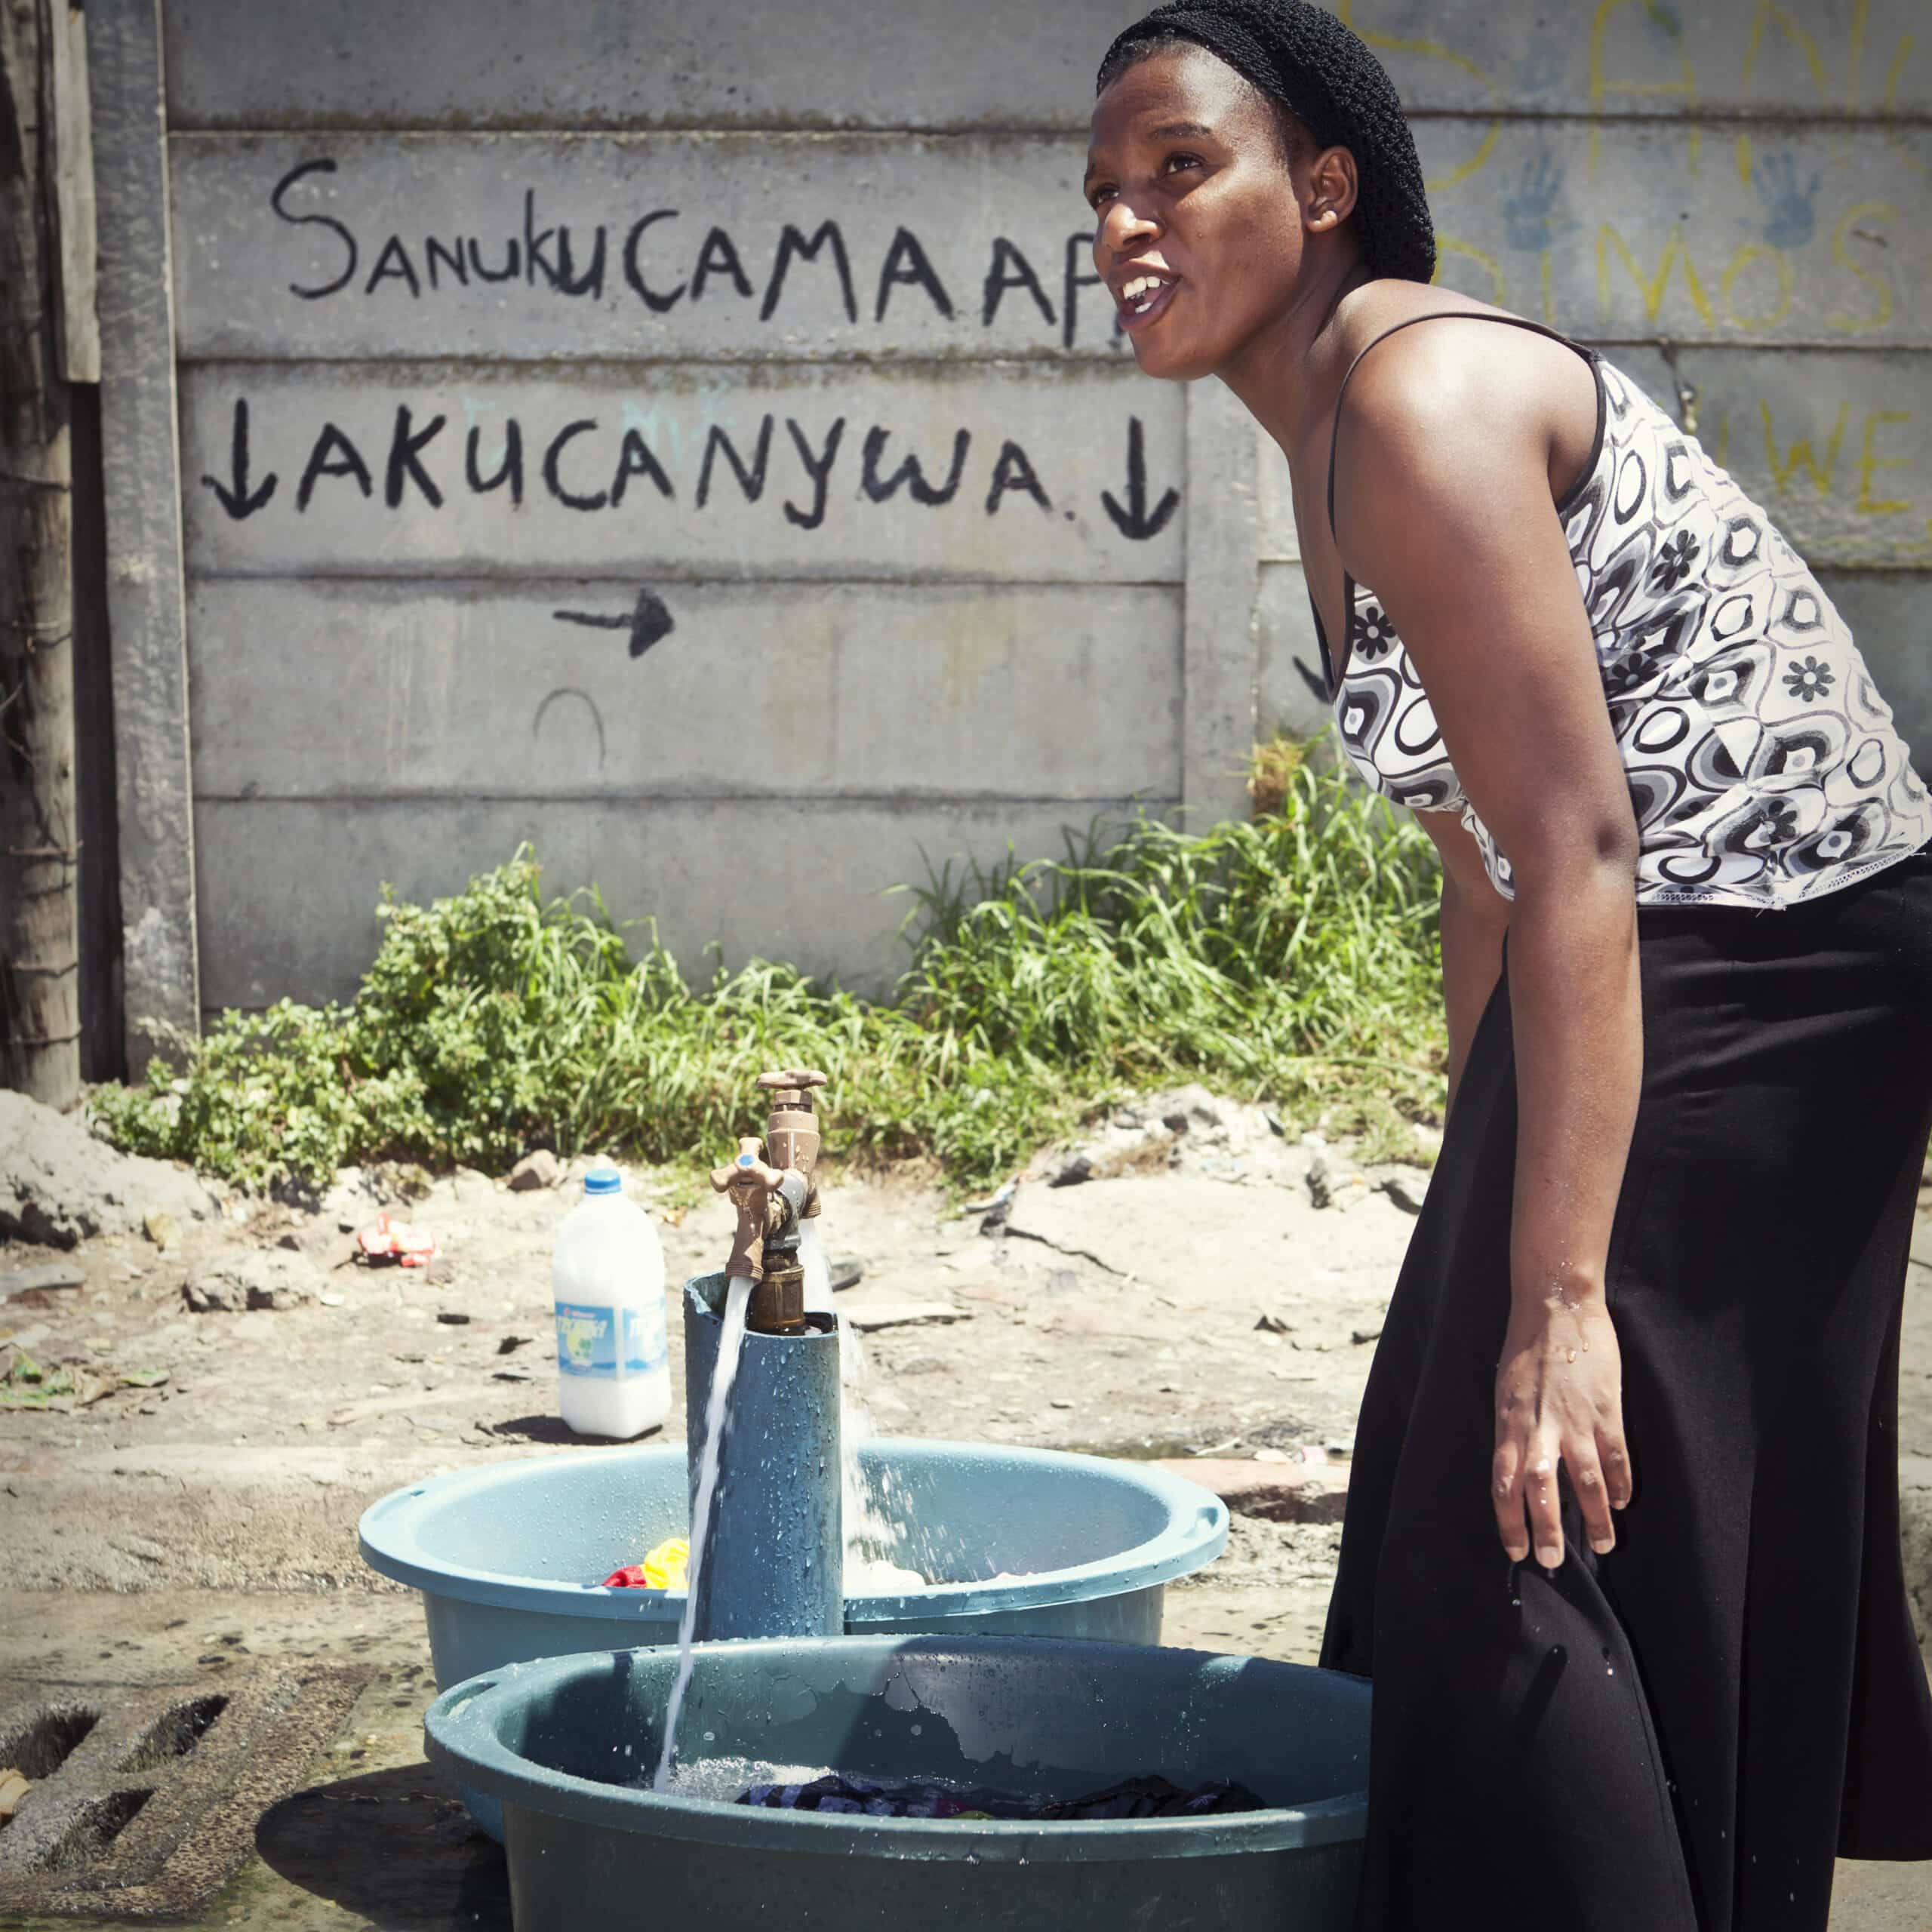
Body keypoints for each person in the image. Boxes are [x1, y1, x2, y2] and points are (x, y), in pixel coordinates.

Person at [1086, 5, 1932, 1928]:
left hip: (1773, 958)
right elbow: (1484, 862)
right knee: (1474, 1433)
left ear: (1322, 189)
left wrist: (1549, 1291)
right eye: (1103, 192)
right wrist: (1480, 1200)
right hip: (1692, 941)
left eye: (1176, 167)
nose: (1126, 223)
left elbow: (1579, 844)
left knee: (1528, 1491)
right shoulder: (1325, 441)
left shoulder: (1413, 405)